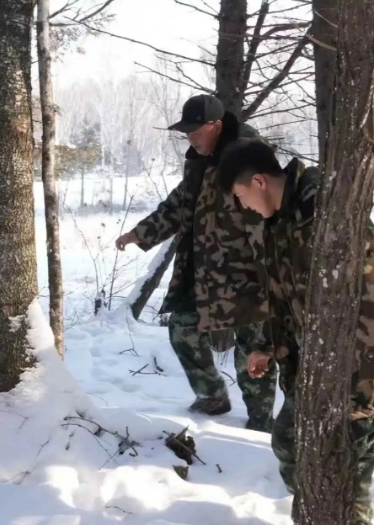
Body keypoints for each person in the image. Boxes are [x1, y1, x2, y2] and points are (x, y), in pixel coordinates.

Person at [216, 141, 374, 524]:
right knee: (291, 446)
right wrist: (266, 345)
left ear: (259, 182)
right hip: (322, 372)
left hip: (364, 371)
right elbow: (285, 294)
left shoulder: (326, 211)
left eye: (240, 196)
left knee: (346, 481)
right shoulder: (282, 220)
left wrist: (358, 388)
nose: (242, 206)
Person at [116, 94, 277, 431]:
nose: (190, 138)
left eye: (195, 131)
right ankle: (212, 396)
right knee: (182, 328)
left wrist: (271, 275)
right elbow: (178, 205)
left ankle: (261, 420)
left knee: (253, 346)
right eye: (186, 132)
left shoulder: (248, 157)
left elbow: (268, 215)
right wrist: (139, 234)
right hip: (205, 270)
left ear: (216, 126)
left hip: (247, 273)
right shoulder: (199, 162)